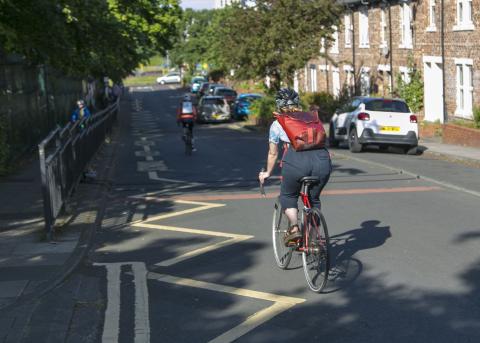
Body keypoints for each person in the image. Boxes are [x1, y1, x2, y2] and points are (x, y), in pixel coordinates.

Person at [258, 88, 332, 245]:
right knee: (314, 199)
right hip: (322, 160)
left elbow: (273, 153)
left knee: (288, 196)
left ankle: (294, 228)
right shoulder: (311, 118)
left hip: (296, 161)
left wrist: (267, 173)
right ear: (298, 102)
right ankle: (313, 240)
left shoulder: (278, 123)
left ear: (278, 105)